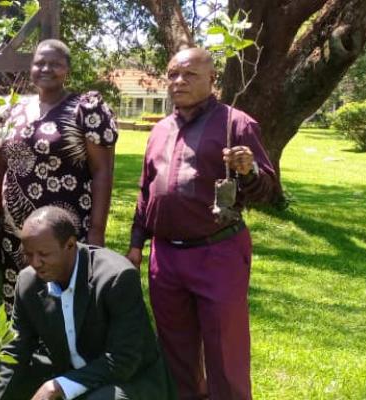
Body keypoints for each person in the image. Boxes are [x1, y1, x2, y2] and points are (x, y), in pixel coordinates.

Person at [126, 48, 276, 400]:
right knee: (175, 348)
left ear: (213, 80)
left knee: (225, 352)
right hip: (165, 257)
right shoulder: (160, 129)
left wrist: (248, 170)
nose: (179, 82)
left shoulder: (235, 124)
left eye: (189, 75)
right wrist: (136, 244)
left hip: (217, 251)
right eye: (173, 74)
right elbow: (146, 190)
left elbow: (267, 190)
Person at [0, 206, 174, 400]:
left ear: (70, 245)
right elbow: (15, 349)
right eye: (29, 254)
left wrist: (58, 386)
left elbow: (123, 360)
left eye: (44, 254)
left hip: (127, 379)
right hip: (65, 368)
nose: (35, 263)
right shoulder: (28, 281)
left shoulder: (117, 278)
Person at [0, 39, 118, 309]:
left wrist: (97, 232)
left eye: (55, 63)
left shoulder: (85, 109)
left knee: (63, 293)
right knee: (20, 287)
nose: (46, 68)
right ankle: (22, 345)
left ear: (67, 69)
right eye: (39, 62)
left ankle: (62, 348)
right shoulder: (13, 109)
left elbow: (102, 171)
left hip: (63, 230)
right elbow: (1, 160)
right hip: (16, 228)